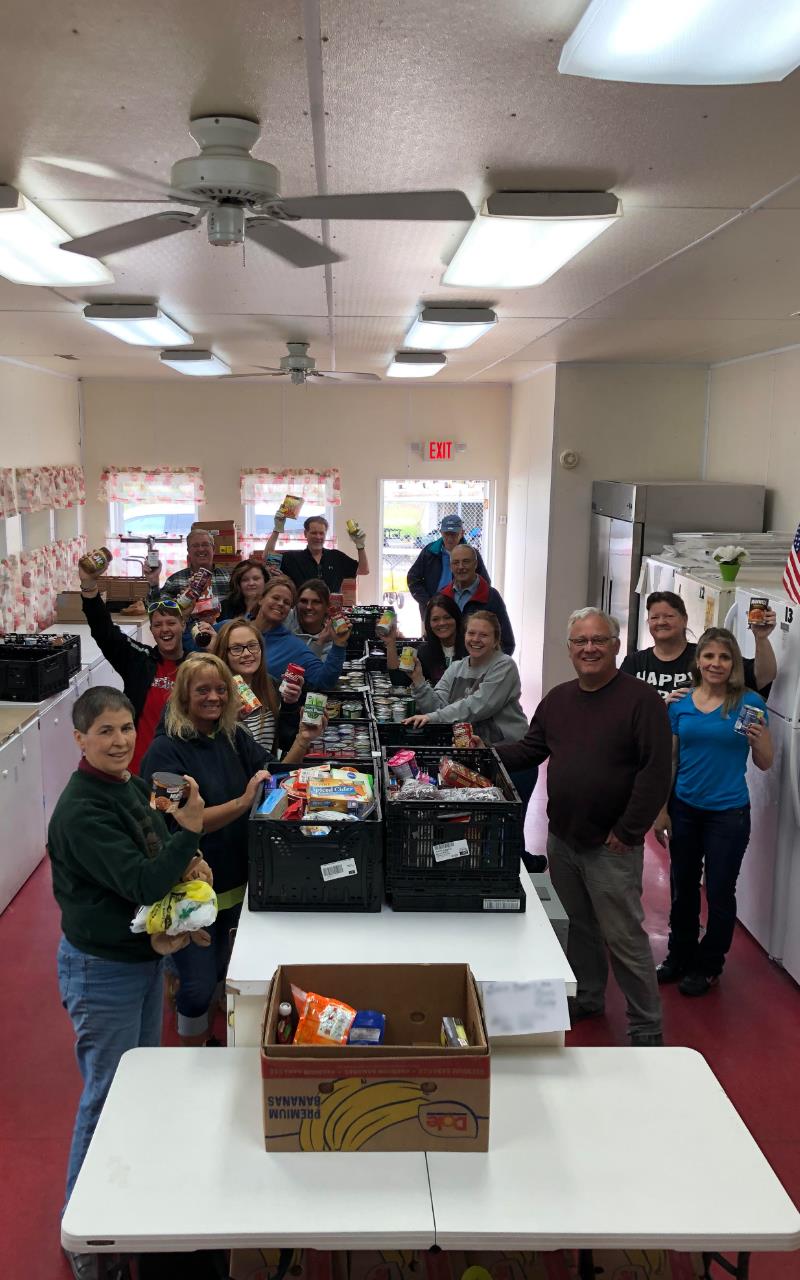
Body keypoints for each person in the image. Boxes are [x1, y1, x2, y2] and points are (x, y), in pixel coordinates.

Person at [49, 686, 210, 1278]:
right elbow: (144, 881)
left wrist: (187, 858)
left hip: (141, 959)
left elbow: (170, 819)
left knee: (136, 1089)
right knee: (104, 1096)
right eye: (105, 733)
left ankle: (127, 1198)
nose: (119, 741)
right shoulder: (81, 810)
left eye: (124, 729)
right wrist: (190, 836)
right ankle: (84, 1239)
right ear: (80, 740)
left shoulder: (134, 784)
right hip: (102, 970)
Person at [494, 608, 672, 1047]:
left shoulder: (641, 701)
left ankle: (646, 1026)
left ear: (615, 645)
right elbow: (531, 749)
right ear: (569, 649)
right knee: (581, 927)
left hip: (612, 844)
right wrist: (480, 751)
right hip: (564, 838)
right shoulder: (558, 699)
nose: (589, 648)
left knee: (625, 936)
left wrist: (629, 831)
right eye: (580, 641)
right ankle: (589, 996)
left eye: (598, 640)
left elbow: (655, 771)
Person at [139, 655, 270, 1046]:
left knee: (224, 973)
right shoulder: (164, 751)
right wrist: (241, 804)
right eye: (202, 690)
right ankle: (189, 1053)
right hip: (190, 888)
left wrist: (304, 741)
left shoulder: (232, 735)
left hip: (237, 882)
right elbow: (175, 824)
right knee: (196, 988)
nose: (213, 697)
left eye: (220, 690)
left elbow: (269, 773)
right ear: (183, 695)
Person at [653, 627, 773, 997]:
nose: (716, 664)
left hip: (728, 814)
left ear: (734, 663)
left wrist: (763, 741)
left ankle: (708, 965)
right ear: (698, 661)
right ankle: (679, 954)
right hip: (685, 808)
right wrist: (662, 810)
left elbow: (765, 764)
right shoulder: (680, 704)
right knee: (682, 887)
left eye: (724, 657)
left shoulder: (750, 704)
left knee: (720, 892)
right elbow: (668, 762)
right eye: (709, 656)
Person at [79, 563, 188, 774]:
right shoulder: (139, 660)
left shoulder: (196, 666)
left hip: (182, 774)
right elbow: (105, 632)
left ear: (183, 625)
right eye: (157, 625)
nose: (164, 629)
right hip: (137, 773)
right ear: (152, 630)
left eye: (171, 623)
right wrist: (89, 586)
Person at [621, 590, 777, 700]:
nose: (661, 622)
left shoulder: (707, 656)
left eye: (669, 616)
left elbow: (763, 677)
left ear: (684, 619)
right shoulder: (634, 663)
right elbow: (623, 706)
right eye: (654, 617)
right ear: (648, 622)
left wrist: (761, 638)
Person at [405, 611, 527, 744]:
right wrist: (418, 680)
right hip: (470, 747)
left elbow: (478, 706)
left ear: (495, 641)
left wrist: (433, 717)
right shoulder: (456, 668)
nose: (475, 639)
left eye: (484, 635)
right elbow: (436, 709)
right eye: (471, 633)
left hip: (508, 752)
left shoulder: (505, 665)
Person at [214, 619, 324, 762]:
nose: (247, 653)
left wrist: (289, 704)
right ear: (224, 653)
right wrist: (228, 724)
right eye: (236, 648)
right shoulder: (216, 694)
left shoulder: (270, 684)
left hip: (265, 775)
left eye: (252, 646)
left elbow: (284, 743)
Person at [252, 575, 351, 687]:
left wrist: (339, 644)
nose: (280, 604)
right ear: (261, 598)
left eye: (286, 602)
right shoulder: (232, 627)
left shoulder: (294, 647)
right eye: (275, 598)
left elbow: (324, 681)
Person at [406, 514, 490, 621]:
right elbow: (413, 578)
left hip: (463, 612)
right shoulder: (429, 552)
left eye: (454, 534)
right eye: (446, 534)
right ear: (441, 533)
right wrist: (427, 601)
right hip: (432, 610)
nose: (450, 539)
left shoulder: (472, 554)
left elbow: (485, 583)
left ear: (462, 533)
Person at [440, 543, 515, 655]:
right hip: (450, 669)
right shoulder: (443, 596)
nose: (460, 567)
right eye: (456, 562)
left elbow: (506, 642)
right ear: (451, 566)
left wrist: (490, 669)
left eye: (466, 561)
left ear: (475, 564)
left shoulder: (491, 597)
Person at [264, 513, 368, 592]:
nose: (318, 537)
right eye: (313, 533)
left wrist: (360, 546)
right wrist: (277, 529)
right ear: (305, 533)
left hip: (331, 615)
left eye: (321, 533)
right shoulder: (293, 558)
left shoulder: (336, 557)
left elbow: (363, 570)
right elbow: (268, 558)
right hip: (302, 614)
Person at [384, 592, 467, 685]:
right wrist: (390, 642)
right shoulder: (422, 652)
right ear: (429, 624)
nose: (442, 623)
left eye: (447, 617)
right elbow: (399, 681)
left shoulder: (470, 649)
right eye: (435, 619)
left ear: (456, 619)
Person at [145, 526, 231, 603]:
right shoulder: (175, 580)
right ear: (188, 551)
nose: (201, 549)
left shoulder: (228, 577)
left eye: (205, 544)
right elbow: (159, 609)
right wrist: (154, 583)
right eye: (195, 546)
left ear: (213, 549)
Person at [290, 578, 335, 658]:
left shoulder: (330, 638)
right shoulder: (285, 619)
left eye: (316, 602)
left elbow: (311, 669)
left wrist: (320, 642)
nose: (309, 607)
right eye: (304, 601)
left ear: (327, 607)